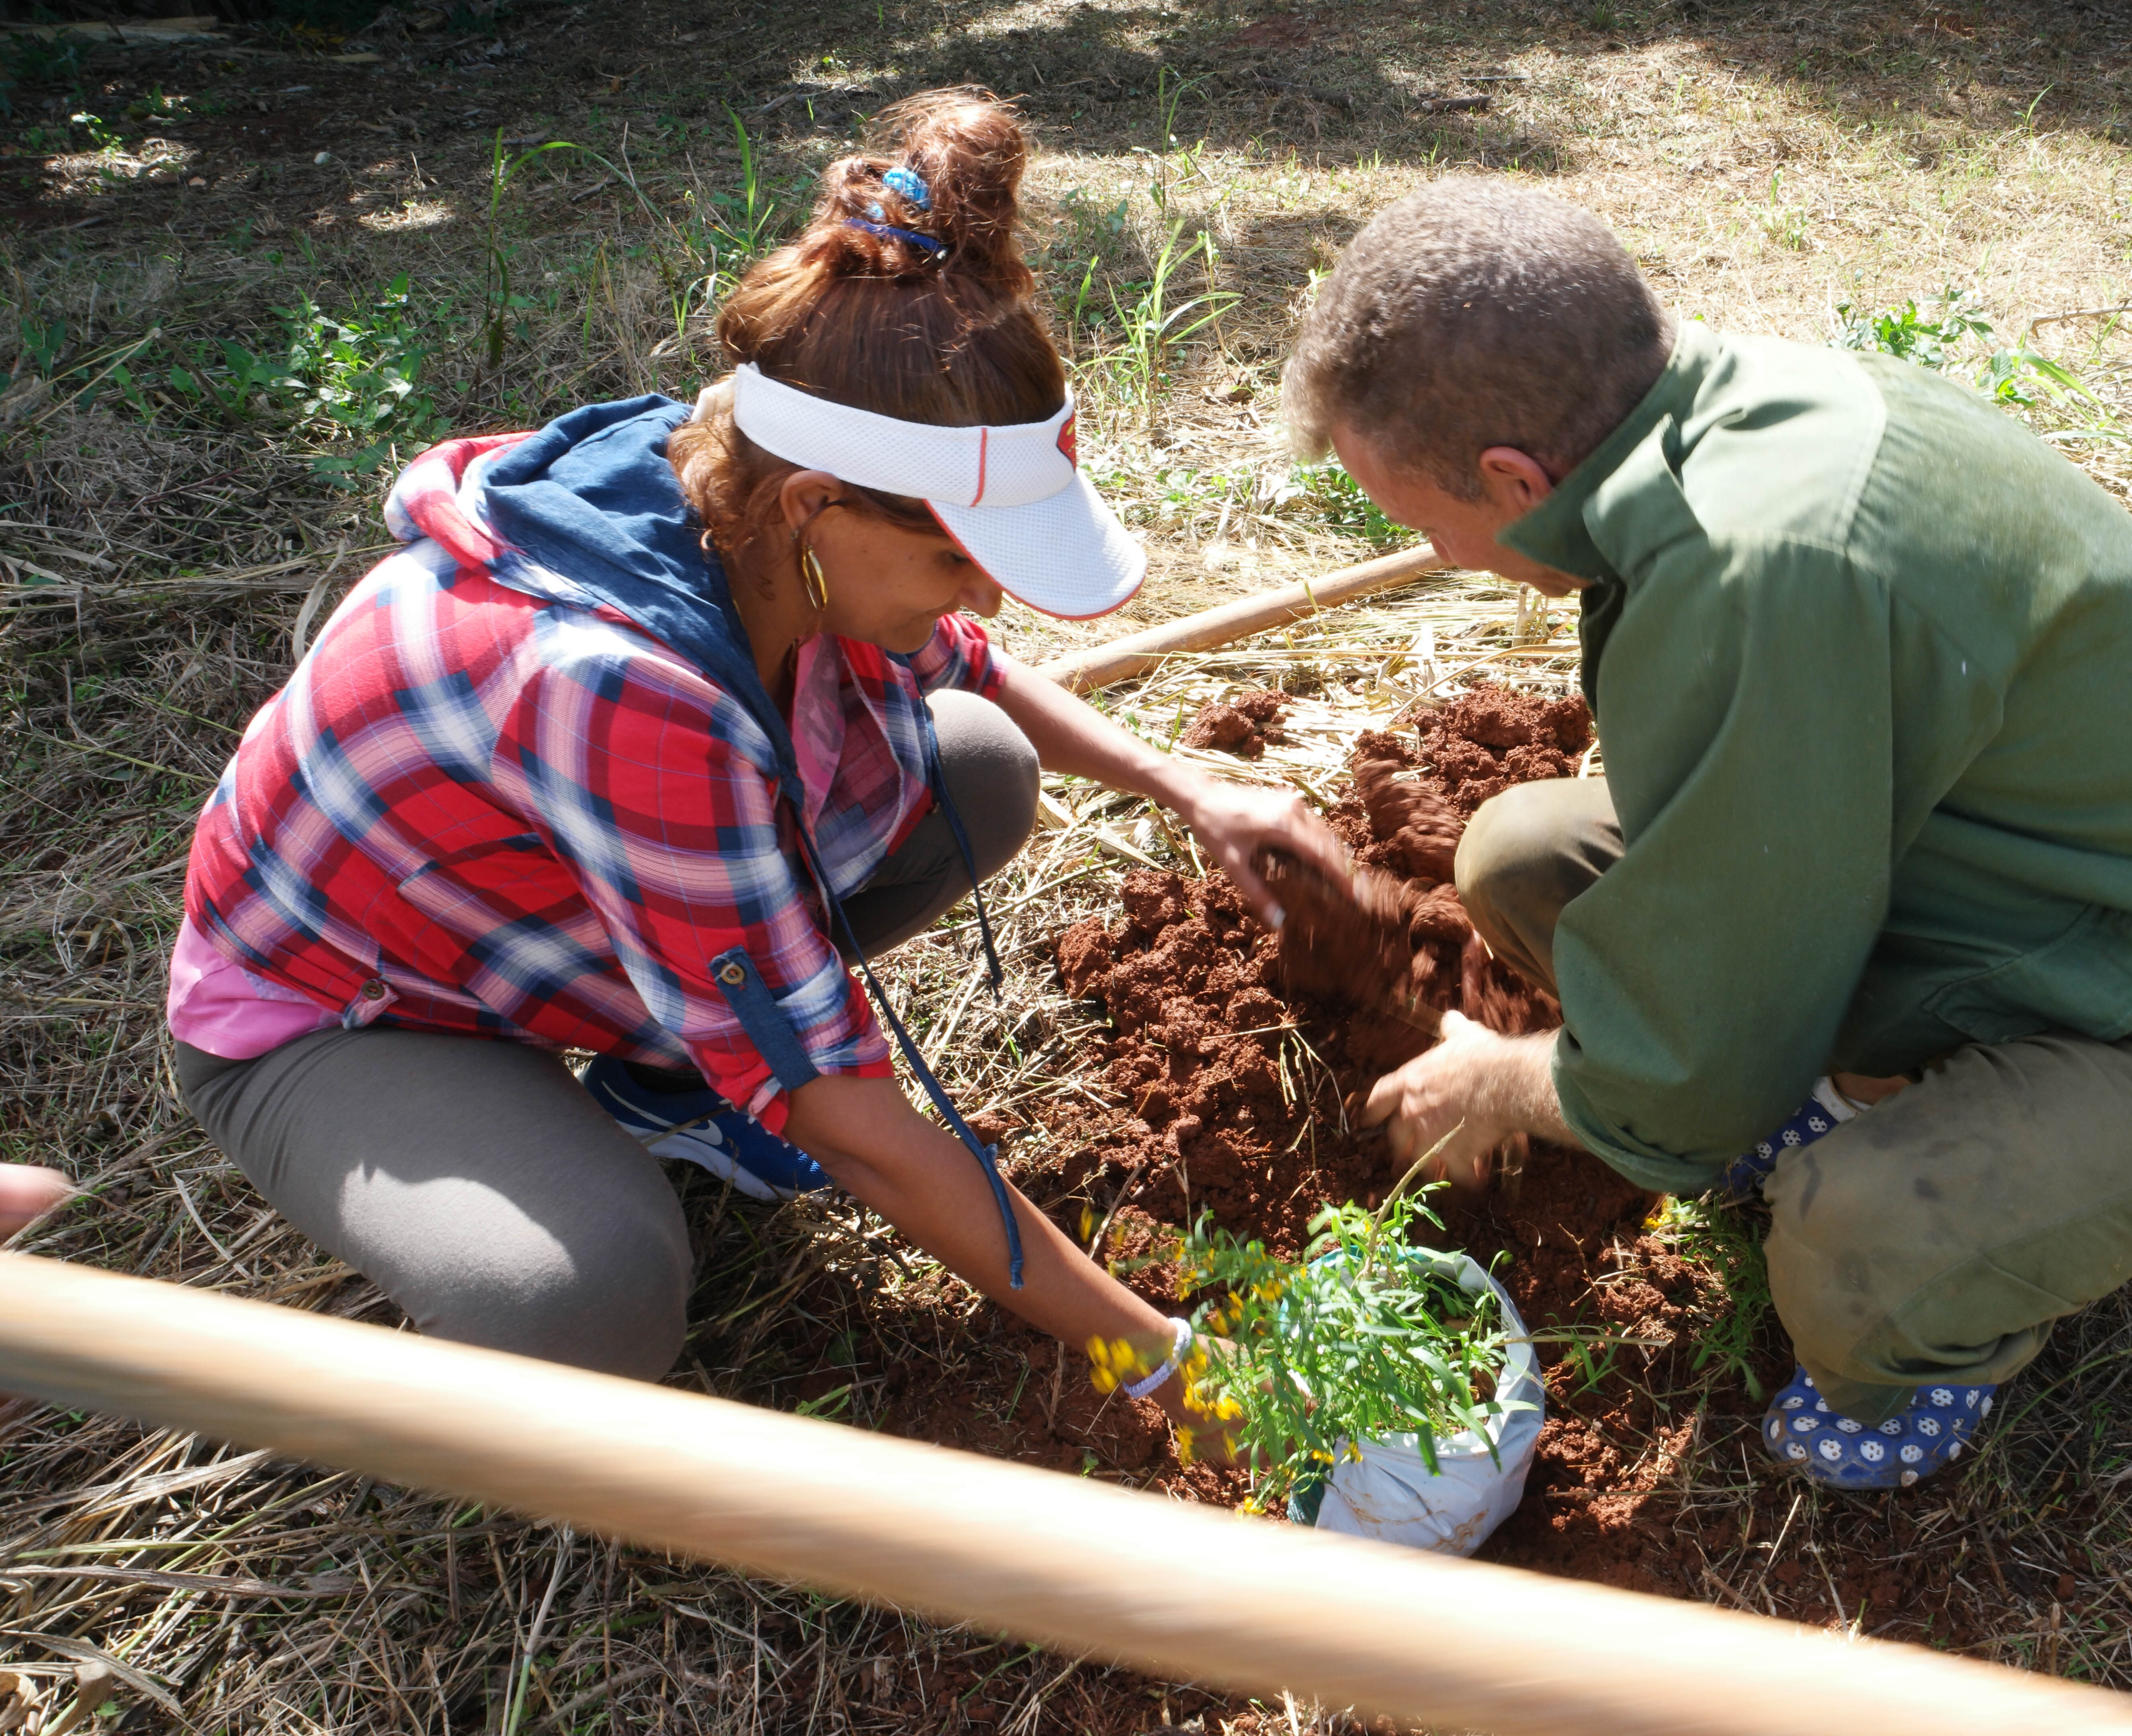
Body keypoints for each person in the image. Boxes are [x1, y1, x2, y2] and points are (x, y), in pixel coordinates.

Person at [164, 93, 1347, 1439]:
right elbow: (846, 1118)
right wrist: (1154, 1351)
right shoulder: (626, 689)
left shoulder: (762, 475)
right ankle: (520, 1205)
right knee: (582, 1299)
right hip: (351, 1009)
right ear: (813, 515)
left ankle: (665, 1085)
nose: (987, 603)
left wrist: (1191, 787)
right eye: (959, 557)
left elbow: (960, 667)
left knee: (977, 767)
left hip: (541, 917)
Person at [1301, 181, 2132, 1490]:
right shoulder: (1710, 420)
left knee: (1844, 1247)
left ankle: (1933, 1355)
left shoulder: (1764, 563)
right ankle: (1868, 1092)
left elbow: (1686, 1075)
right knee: (1522, 861)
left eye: (1421, 520)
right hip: (2001, 891)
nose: (1433, 555)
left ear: (1513, 477)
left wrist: (1500, 1083)